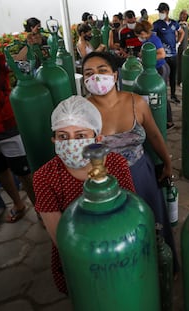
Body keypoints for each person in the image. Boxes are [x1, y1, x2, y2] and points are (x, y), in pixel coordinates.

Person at [81, 51, 179, 272]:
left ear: (115, 75)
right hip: (104, 183)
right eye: (89, 73)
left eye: (102, 71)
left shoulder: (136, 103)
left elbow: (154, 135)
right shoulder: (82, 112)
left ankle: (159, 271)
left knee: (151, 224)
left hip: (140, 175)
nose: (96, 77)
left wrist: (168, 163)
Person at [33, 95, 135, 294]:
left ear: (97, 139)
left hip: (116, 249)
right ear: (53, 139)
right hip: (75, 255)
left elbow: (129, 214)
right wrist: (87, 263)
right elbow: (59, 235)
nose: (71, 144)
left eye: (80, 136)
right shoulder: (44, 177)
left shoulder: (116, 165)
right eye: (63, 136)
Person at [0, 52, 36, 223]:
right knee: (0, 170)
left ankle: (41, 210)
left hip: (9, 128)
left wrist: (29, 43)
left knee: (24, 172)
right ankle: (19, 205)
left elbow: (17, 59)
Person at [134, 21, 174, 130]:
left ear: (144, 33)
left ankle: (168, 121)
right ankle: (158, 118)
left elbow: (162, 54)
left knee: (161, 95)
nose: (139, 38)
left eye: (139, 35)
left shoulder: (154, 40)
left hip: (161, 69)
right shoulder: (148, 40)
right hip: (156, 69)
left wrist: (147, 58)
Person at [153, 2, 184, 105]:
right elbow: (153, 38)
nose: (160, 14)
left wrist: (178, 43)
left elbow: (182, 32)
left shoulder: (174, 23)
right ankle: (163, 95)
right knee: (163, 76)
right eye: (159, 12)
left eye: (162, 12)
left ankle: (173, 95)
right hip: (162, 56)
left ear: (167, 12)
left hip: (173, 54)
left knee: (173, 76)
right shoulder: (157, 24)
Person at [177, 9, 189, 87]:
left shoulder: (186, 25)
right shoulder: (177, 24)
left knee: (183, 62)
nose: (183, 15)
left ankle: (182, 80)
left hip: (184, 45)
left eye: (185, 14)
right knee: (178, 63)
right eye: (182, 13)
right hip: (178, 45)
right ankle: (179, 80)